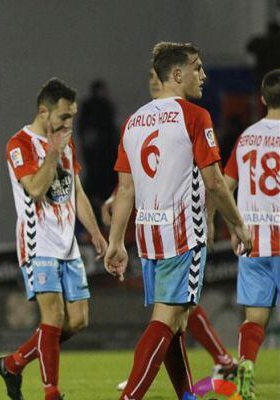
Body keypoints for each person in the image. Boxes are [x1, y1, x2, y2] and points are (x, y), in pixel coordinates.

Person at [106, 42, 252, 400]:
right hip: (183, 232)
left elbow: (124, 190)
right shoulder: (194, 116)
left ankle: (187, 396)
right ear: (177, 74)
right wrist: (237, 224)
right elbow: (214, 182)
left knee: (176, 322)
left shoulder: (134, 121)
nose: (203, 75)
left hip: (147, 234)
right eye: (197, 68)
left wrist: (114, 242)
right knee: (166, 321)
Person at [0, 78, 108, 400]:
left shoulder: (66, 143)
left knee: (78, 320)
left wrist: (96, 233)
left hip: (68, 245)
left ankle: (13, 363)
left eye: (72, 116)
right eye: (63, 117)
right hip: (37, 242)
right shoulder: (19, 144)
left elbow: (77, 192)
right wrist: (52, 154)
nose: (69, 124)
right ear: (44, 113)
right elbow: (34, 188)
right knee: (53, 317)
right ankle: (51, 392)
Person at [219, 68, 280, 400]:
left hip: (252, 239)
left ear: (262, 99)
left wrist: (234, 227)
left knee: (255, 317)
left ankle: (245, 367)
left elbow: (225, 187)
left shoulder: (247, 138)